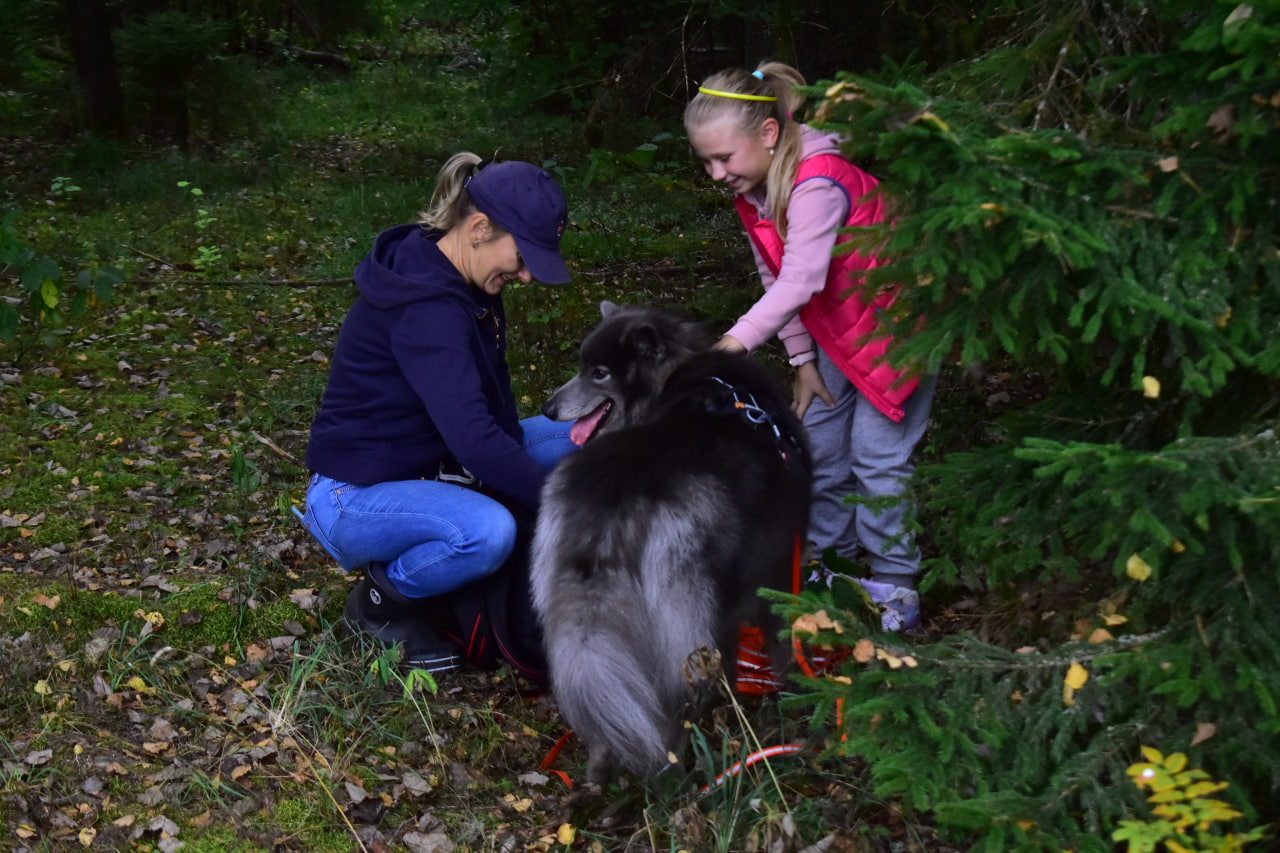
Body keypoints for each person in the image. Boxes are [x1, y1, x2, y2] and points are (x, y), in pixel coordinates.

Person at [299, 153, 578, 671]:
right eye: (521, 259)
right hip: (352, 495)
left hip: (432, 464)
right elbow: (475, 438)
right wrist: (567, 509)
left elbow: (494, 410)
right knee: (488, 533)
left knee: (584, 437)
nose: (525, 277)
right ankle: (383, 602)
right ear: (478, 228)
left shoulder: (464, 277)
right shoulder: (426, 310)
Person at [684, 62, 937, 631]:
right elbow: (776, 277)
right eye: (706, 161)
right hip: (841, 334)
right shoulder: (757, 192)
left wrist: (733, 344)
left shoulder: (818, 182)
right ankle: (834, 571)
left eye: (724, 157)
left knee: (879, 458)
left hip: (898, 330)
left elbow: (802, 279)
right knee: (818, 448)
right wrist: (801, 359)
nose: (716, 172)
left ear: (769, 135)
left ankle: (896, 588)